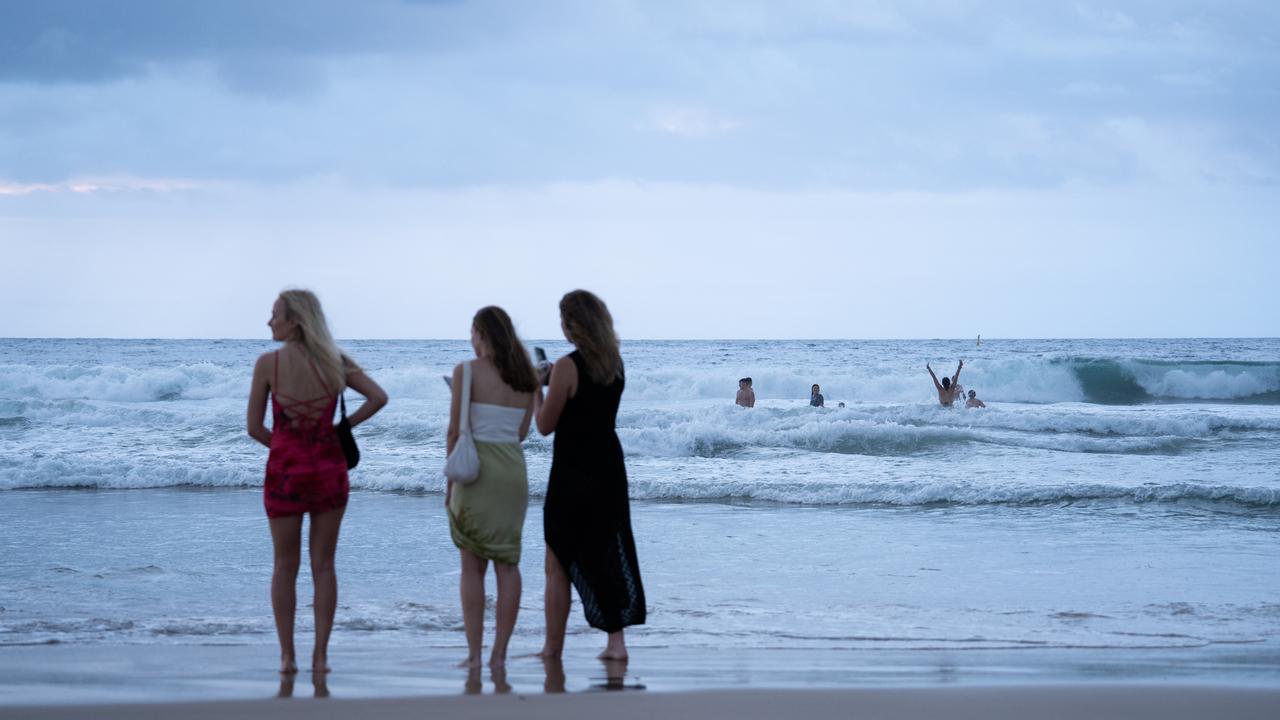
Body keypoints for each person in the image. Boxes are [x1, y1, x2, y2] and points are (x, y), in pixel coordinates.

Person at [247, 289, 388, 675]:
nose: (269, 321)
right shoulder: (334, 362)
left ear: (295, 321)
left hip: (286, 471)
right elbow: (379, 397)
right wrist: (342, 428)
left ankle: (287, 656)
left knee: (284, 566)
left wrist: (285, 447)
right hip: (329, 469)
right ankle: (321, 655)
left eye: (274, 314)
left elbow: (254, 427)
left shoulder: (268, 365)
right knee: (324, 566)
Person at [533, 289, 646, 662]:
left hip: (573, 469)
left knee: (558, 557)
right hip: (608, 466)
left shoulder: (566, 366)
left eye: (564, 321)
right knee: (604, 552)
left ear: (574, 324)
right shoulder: (614, 364)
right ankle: (616, 643)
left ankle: (552, 648)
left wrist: (536, 387)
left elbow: (546, 425)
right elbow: (588, 401)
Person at [446, 306, 537, 670]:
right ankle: (500, 654)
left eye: (472, 332)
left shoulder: (466, 372)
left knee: (472, 566)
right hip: (512, 472)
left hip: (476, 473)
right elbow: (521, 433)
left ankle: (474, 654)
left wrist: (450, 483)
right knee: (508, 563)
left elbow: (455, 432)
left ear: (481, 334)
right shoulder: (526, 375)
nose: (471, 339)